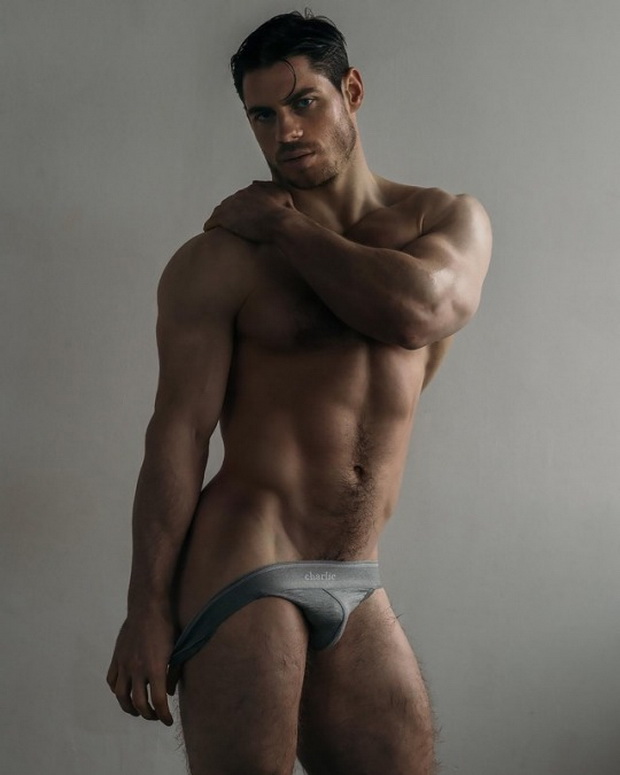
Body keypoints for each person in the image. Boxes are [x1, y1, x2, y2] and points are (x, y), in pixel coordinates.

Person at [106, 10, 492, 775]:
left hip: (358, 571)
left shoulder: (442, 220)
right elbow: (177, 434)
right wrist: (145, 607)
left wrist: (287, 229)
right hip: (245, 561)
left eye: (303, 102)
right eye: (262, 115)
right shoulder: (219, 261)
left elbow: (418, 312)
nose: (284, 130)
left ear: (352, 91)